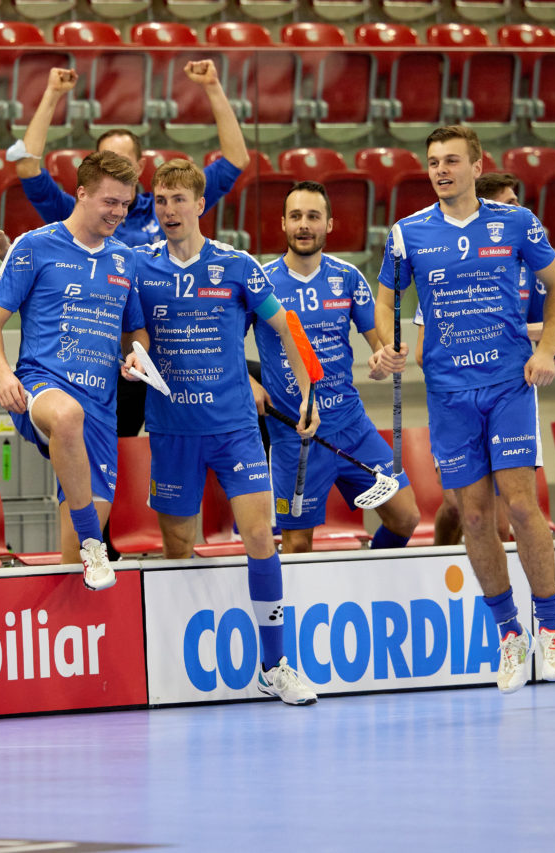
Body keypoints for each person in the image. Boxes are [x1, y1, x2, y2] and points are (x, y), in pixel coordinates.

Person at [372, 126, 555, 694]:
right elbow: (385, 296)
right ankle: (510, 634)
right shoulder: (408, 232)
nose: (441, 170)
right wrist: (388, 344)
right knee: (477, 516)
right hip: (448, 392)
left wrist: (543, 349)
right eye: (433, 162)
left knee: (520, 504)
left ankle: (552, 627)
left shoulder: (515, 222)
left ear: (477, 164)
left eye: (452, 161)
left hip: (508, 382)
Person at [124, 159, 322, 705]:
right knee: (178, 547)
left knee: (261, 537)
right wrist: (130, 359)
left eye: (178, 200)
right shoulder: (137, 266)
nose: (168, 210)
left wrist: (310, 391)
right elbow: (99, 296)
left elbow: (287, 329)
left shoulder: (236, 266)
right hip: (170, 431)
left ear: (200, 206)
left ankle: (275, 665)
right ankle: (182, 671)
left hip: (235, 428)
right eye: (160, 200)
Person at [0, 151, 147, 591]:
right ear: (82, 193)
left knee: (77, 568)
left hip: (102, 410)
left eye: (125, 204)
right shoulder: (33, 246)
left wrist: (137, 357)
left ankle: (70, 636)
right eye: (110, 201)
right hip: (40, 387)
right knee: (67, 416)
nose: (118, 212)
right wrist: (3, 376)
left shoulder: (125, 259)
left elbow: (137, 333)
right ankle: (96, 543)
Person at [255, 180, 420, 553]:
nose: (304, 225)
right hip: (295, 436)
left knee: (406, 517)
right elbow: (227, 342)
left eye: (314, 216)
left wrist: (385, 358)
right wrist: (247, 382)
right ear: (282, 223)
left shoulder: (347, 277)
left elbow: (380, 345)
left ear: (329, 224)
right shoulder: (260, 282)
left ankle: (375, 584)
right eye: (296, 216)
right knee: (297, 545)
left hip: (352, 427)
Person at [423, 171, 555, 546]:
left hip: (509, 395)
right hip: (457, 398)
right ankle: (441, 566)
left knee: (505, 519)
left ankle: (512, 600)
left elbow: (545, 331)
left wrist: (550, 350)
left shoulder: (530, 268)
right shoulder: (446, 269)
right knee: (460, 509)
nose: (519, 210)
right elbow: (420, 350)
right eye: (509, 204)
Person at [0, 62, 247, 247]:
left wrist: (213, 87)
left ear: (139, 168)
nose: (115, 171)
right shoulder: (77, 213)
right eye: (106, 163)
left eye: (123, 163)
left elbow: (236, 160)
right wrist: (52, 94)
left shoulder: (168, 207)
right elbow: (27, 169)